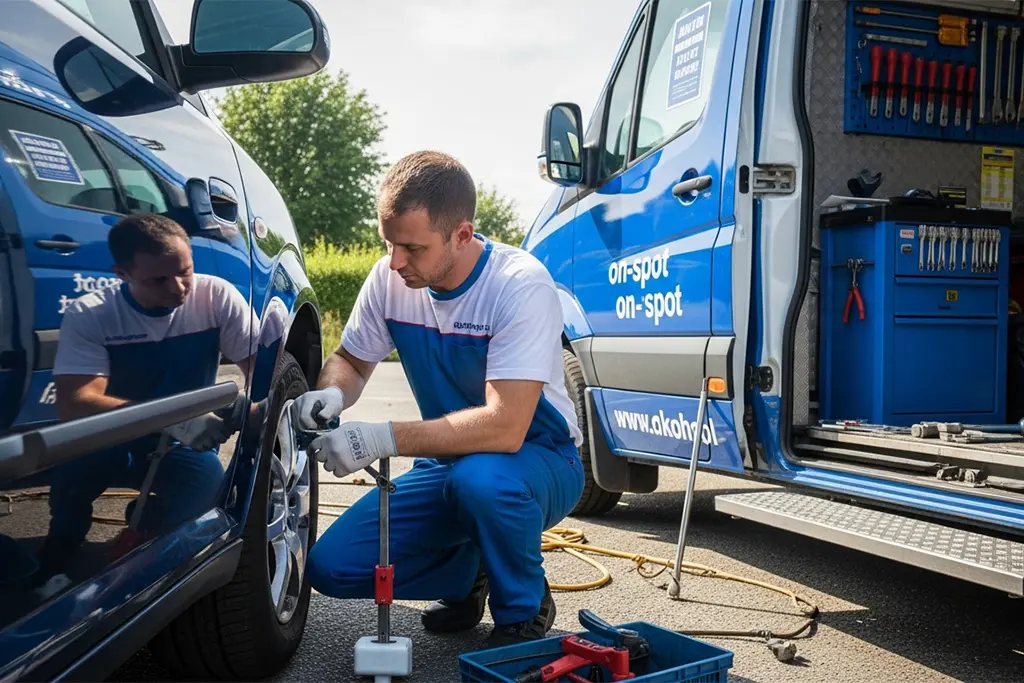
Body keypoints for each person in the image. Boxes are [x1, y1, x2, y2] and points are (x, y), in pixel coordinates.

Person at [300, 150, 586, 648]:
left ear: (461, 234)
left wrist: (382, 438)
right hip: (448, 463)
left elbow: (505, 426)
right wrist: (330, 393)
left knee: (484, 482)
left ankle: (522, 606)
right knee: (330, 567)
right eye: (389, 243)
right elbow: (352, 358)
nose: (396, 261)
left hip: (536, 457)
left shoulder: (519, 286)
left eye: (412, 247)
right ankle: (467, 574)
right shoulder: (391, 279)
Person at [37, 213, 258, 584]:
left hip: (180, 445)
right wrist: (172, 418)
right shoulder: (93, 314)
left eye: (185, 271)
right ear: (121, 273)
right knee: (72, 480)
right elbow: (75, 402)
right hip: (111, 436)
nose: (178, 289)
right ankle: (56, 563)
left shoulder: (215, 297)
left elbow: (265, 369)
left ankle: (147, 527)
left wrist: (255, 406)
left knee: (206, 496)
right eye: (158, 280)